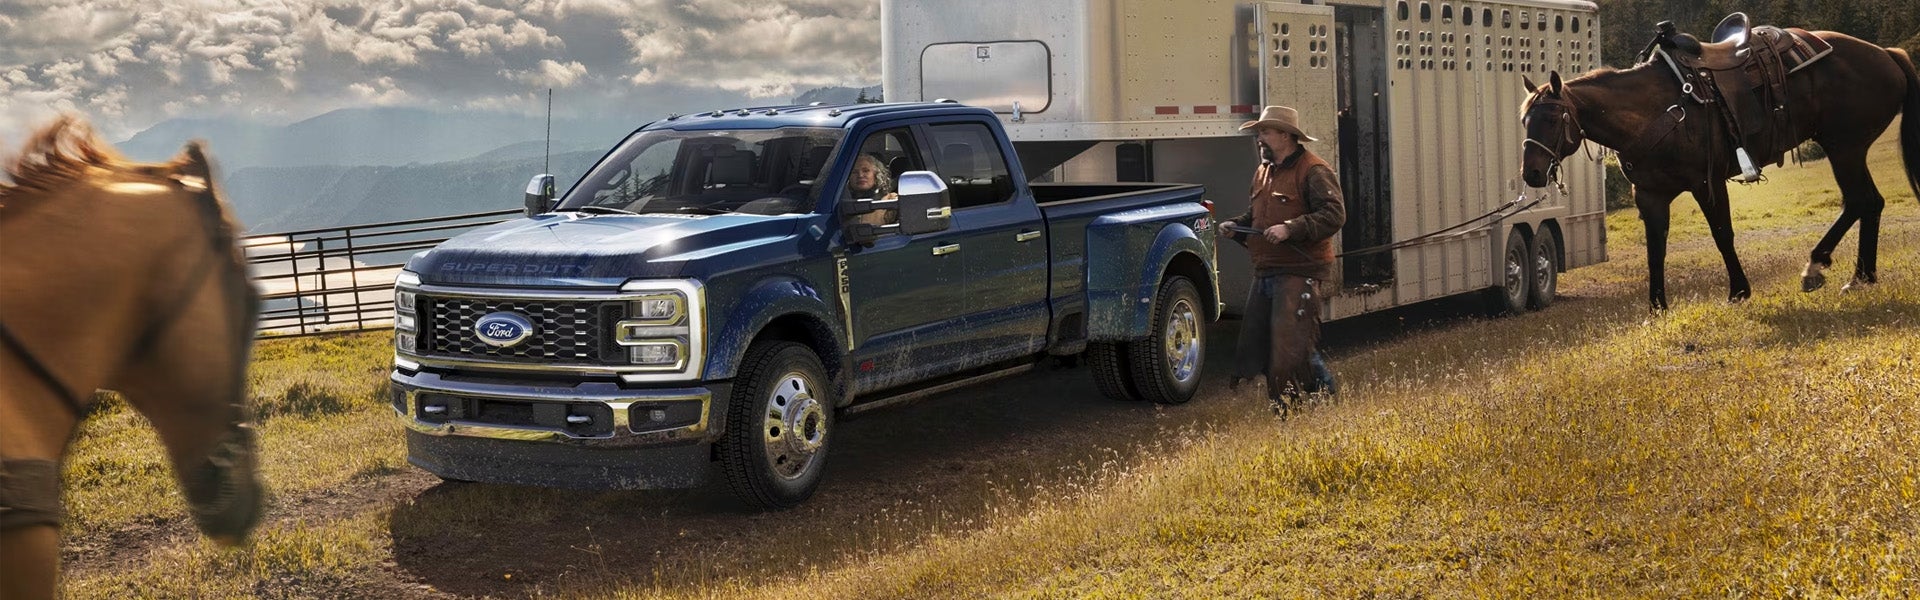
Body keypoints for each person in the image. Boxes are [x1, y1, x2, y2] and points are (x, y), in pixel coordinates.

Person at [1217, 105, 1346, 415]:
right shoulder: (1263, 171)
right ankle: (1312, 402)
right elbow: (1258, 217)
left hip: (1299, 271)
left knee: (1288, 350)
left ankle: (1302, 407)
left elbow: (1334, 214)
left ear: (1286, 136)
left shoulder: (1313, 170)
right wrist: (1236, 226)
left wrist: (1291, 229)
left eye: (1265, 131)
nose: (1259, 137)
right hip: (1266, 270)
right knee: (1268, 344)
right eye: (1259, 131)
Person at [847, 153, 897, 228]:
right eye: (854, 172)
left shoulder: (891, 201)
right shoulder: (837, 202)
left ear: (876, 174)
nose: (860, 175)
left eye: (866, 171)